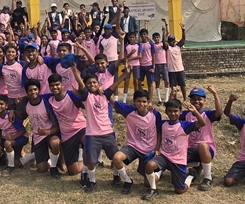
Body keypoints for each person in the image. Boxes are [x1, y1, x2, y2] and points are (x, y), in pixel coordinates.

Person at [70, 65, 132, 193]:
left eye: (94, 82)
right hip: (92, 135)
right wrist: (74, 70)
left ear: (98, 84)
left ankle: (124, 179)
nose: (92, 84)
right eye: (89, 83)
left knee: (115, 158)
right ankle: (92, 181)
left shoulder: (105, 94)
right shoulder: (86, 97)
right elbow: (81, 85)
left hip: (107, 132)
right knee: (91, 162)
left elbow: (115, 84)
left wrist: (125, 74)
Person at [141, 98, 205, 200]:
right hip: (164, 157)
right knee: (149, 167)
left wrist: (195, 112)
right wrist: (157, 149)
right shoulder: (163, 124)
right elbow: (158, 130)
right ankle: (153, 189)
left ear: (180, 112)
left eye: (175, 111)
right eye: (170, 111)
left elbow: (202, 123)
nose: (173, 113)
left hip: (178, 160)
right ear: (166, 112)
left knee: (179, 190)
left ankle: (191, 176)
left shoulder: (184, 125)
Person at [111, 90, 160, 194]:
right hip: (133, 146)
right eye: (138, 101)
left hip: (149, 150)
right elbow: (112, 101)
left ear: (148, 102)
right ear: (134, 101)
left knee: (147, 183)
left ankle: (160, 171)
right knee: (116, 158)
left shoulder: (155, 114)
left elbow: (160, 132)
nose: (141, 104)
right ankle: (127, 180)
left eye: (144, 101)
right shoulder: (129, 111)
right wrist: (101, 90)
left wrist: (157, 149)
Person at [181, 85, 223, 191]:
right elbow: (173, 113)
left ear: (204, 101)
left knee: (202, 145)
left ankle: (208, 178)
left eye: (199, 99)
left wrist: (215, 94)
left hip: (207, 149)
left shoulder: (207, 114)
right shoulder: (186, 114)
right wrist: (173, 94)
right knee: (174, 160)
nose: (196, 101)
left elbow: (219, 112)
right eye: (193, 99)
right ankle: (196, 167)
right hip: (190, 149)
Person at [47, 73, 86, 176]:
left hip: (80, 128)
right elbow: (34, 97)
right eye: (52, 85)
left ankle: (87, 171)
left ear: (62, 84)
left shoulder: (71, 95)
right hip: (67, 135)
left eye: (57, 84)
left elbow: (85, 99)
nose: (55, 87)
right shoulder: (49, 99)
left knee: (88, 140)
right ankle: (82, 157)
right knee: (73, 171)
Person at [0, 94, 28, 175]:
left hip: (21, 137)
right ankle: (33, 156)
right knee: (17, 164)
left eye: (1, 104)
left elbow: (23, 131)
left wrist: (13, 137)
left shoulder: (11, 115)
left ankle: (10, 166)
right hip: (12, 139)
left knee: (7, 143)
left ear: (6, 106)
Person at [163, 20, 187, 98]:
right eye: (170, 41)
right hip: (171, 70)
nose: (172, 42)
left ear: (175, 41)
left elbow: (183, 39)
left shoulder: (178, 46)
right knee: (174, 87)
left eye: (173, 40)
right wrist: (164, 32)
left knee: (182, 85)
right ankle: (175, 99)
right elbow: (164, 42)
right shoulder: (168, 48)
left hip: (180, 69)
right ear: (168, 41)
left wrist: (183, 30)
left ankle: (184, 99)